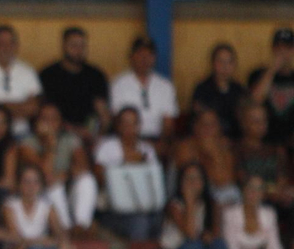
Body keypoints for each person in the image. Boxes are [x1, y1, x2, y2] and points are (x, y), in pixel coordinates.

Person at [16, 102, 96, 233]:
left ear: (60, 122)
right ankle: (65, 229)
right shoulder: (27, 143)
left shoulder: (70, 139)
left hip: (66, 188)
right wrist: (50, 143)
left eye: (54, 119)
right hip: (40, 193)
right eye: (45, 119)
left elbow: (83, 168)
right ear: (36, 122)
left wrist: (63, 176)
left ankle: (81, 227)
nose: (49, 123)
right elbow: (44, 174)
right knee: (53, 186)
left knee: (87, 180)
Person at [93, 107, 165, 241]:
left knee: (158, 218)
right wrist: (128, 163)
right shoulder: (107, 147)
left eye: (133, 123)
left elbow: (153, 181)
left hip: (144, 205)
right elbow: (99, 178)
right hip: (114, 210)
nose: (129, 127)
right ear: (118, 125)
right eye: (125, 123)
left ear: (139, 126)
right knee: (139, 222)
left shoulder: (147, 150)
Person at [37, 26, 110, 141]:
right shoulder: (48, 75)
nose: (78, 50)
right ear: (63, 46)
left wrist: (97, 135)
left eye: (82, 46)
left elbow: (103, 113)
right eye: (74, 45)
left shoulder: (96, 75)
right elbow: (43, 113)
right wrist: (71, 129)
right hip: (56, 134)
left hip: (89, 135)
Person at [109, 37, 179, 153]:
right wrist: (138, 145)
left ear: (154, 58)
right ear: (131, 57)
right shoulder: (119, 84)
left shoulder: (166, 86)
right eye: (140, 54)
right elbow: (118, 121)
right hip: (129, 140)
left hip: (157, 140)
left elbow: (168, 123)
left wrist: (162, 143)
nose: (144, 58)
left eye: (149, 55)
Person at [172, 107, 239, 204]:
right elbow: (191, 179)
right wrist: (206, 154)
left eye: (213, 124)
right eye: (204, 124)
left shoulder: (225, 147)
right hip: (188, 198)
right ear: (195, 127)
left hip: (220, 198)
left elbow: (225, 181)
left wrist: (215, 156)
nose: (208, 129)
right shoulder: (184, 146)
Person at [191, 43, 249, 140]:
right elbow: (200, 120)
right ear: (213, 63)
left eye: (229, 62)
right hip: (210, 139)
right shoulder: (202, 89)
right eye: (220, 61)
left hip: (236, 140)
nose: (225, 66)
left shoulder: (239, 90)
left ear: (234, 64)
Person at [247, 27, 294, 145]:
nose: (283, 52)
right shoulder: (258, 74)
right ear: (273, 49)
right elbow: (255, 100)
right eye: (279, 47)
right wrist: (272, 69)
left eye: (287, 47)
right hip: (264, 141)